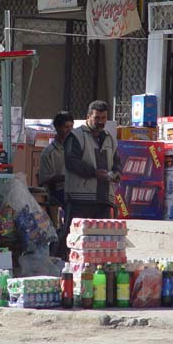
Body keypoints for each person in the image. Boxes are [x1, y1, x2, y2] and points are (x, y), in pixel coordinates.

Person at [59, 100, 122, 259]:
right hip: (81, 198)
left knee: (100, 240)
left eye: (103, 118)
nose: (100, 121)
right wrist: (94, 173)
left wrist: (116, 173)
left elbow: (116, 161)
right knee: (74, 237)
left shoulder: (109, 138)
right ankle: (61, 265)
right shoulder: (76, 136)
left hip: (103, 198)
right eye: (97, 118)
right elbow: (72, 162)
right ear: (88, 117)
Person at [38, 111, 74, 207]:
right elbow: (44, 180)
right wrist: (65, 177)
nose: (70, 130)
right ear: (57, 128)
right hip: (59, 193)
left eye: (71, 127)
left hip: (77, 190)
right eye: (66, 127)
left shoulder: (77, 148)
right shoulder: (49, 153)